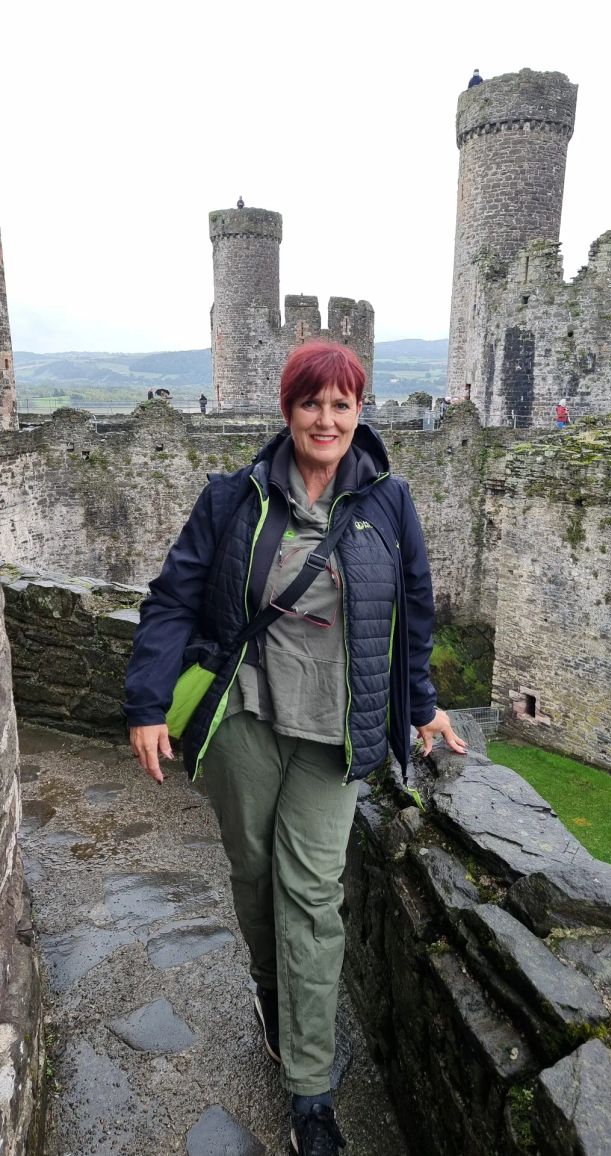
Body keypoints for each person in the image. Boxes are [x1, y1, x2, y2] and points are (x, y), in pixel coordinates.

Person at [124, 342, 466, 1156]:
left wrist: (421, 707)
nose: (327, 419)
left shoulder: (390, 504)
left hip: (335, 733)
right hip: (244, 717)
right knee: (251, 876)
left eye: (342, 404)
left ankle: (310, 1094)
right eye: (312, 403)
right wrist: (146, 703)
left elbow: (411, 613)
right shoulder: (233, 497)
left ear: (360, 412)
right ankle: (271, 994)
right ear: (288, 411)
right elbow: (173, 599)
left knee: (310, 895)